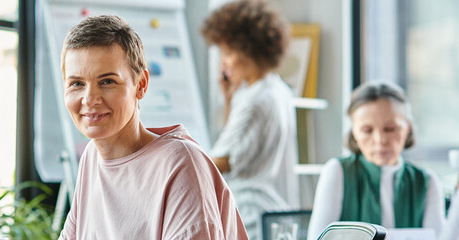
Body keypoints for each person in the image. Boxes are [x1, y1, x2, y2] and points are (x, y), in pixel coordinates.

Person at [57, 15, 248, 239]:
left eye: (107, 81)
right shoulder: (92, 157)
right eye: (76, 84)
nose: (89, 99)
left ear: (141, 85)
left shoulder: (180, 163)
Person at [307, 81, 459, 240]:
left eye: (390, 129)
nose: (380, 139)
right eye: (367, 130)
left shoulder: (426, 181)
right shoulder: (337, 171)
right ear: (354, 133)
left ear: (408, 128)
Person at [201, 1, 299, 238]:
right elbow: (240, 144)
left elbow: (219, 163)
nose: (224, 62)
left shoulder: (254, 101)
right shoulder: (277, 90)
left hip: (251, 217)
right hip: (275, 214)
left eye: (229, 52)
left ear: (250, 51)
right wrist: (229, 100)